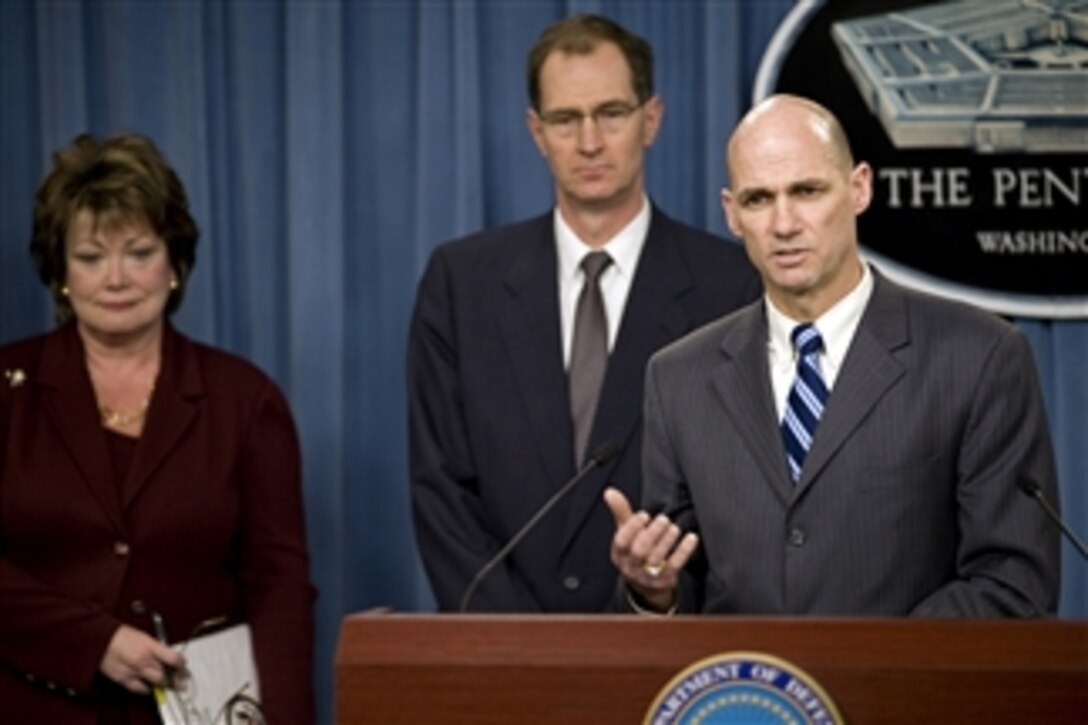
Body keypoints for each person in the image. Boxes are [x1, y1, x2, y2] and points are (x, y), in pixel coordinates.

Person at [604, 94, 1061, 617]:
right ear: (732, 214)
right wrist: (653, 592)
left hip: (907, 695)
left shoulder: (978, 356)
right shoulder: (679, 378)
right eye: (758, 200)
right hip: (748, 698)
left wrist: (859, 672)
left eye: (806, 191)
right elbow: (681, 577)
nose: (783, 223)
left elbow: (1012, 582)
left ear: (858, 188)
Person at [408, 14, 761, 612]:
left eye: (611, 114)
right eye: (566, 120)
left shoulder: (733, 287)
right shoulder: (461, 283)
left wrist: (653, 605)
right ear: (536, 132)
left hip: (664, 658)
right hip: (504, 666)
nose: (590, 142)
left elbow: (747, 499)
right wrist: (520, 650)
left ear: (651, 119)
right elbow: (441, 491)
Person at [0, 133, 316, 722]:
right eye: (91, 258)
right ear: (61, 273)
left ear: (175, 263)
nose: (116, 278)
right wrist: (92, 641)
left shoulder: (245, 400)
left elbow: (280, 591)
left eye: (139, 253)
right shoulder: (7, 391)